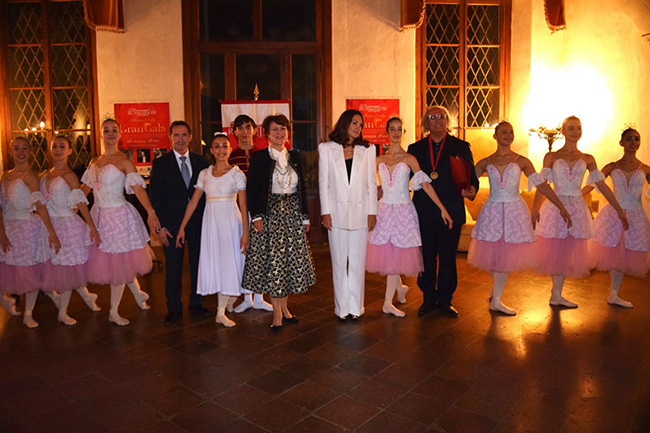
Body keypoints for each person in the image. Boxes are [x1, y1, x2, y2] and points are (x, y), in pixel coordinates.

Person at [468, 121, 572, 315]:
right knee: (495, 255)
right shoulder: (485, 162)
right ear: (495, 136)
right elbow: (469, 184)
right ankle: (496, 294)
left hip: (514, 212)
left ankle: (496, 298)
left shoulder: (522, 161)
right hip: (492, 211)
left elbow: (541, 185)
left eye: (511, 132)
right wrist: (466, 191)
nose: (508, 135)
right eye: (504, 132)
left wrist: (560, 206)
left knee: (505, 256)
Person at [532, 115, 628, 308]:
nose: (576, 131)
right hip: (555, 206)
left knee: (567, 250)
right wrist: (534, 208)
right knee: (556, 249)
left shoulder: (588, 159)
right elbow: (543, 184)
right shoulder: (551, 157)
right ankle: (556, 294)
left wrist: (619, 209)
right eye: (571, 128)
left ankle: (556, 294)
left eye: (578, 128)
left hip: (576, 208)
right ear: (563, 131)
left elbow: (602, 185)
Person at [366, 117, 453, 318]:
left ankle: (387, 303)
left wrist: (442, 208)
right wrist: (376, 193)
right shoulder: (378, 160)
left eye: (400, 129)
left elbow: (425, 184)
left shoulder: (409, 159)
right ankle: (400, 289)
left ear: (403, 132)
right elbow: (368, 186)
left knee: (396, 256)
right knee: (390, 256)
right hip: (384, 210)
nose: (396, 132)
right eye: (392, 129)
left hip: (403, 211)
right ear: (387, 132)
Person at [82, 118, 161, 326]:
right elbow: (84, 190)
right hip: (99, 216)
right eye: (106, 130)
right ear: (100, 134)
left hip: (118, 216)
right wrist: (70, 206)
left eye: (114, 130)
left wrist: (151, 212)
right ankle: (139, 294)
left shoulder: (124, 161)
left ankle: (113, 311)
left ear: (120, 134)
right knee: (118, 261)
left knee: (118, 261)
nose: (110, 133)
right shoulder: (94, 162)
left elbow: (138, 190)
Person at [243, 114, 315, 331]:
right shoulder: (259, 158)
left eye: (283, 129)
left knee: (288, 264)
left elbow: (301, 188)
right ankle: (276, 313)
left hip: (292, 215)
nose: (279, 133)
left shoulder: (295, 156)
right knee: (275, 265)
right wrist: (256, 216)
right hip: (270, 216)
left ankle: (284, 309)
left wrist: (304, 216)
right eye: (274, 129)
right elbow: (252, 189)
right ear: (266, 134)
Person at [408, 106, 479, 318]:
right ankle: (428, 299)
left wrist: (472, 189)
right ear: (426, 122)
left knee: (448, 258)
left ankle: (446, 300)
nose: (438, 120)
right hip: (424, 211)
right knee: (426, 257)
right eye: (432, 117)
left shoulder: (461, 146)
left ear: (447, 121)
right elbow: (405, 178)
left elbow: (472, 177)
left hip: (452, 209)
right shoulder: (415, 148)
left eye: (442, 117)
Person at [176, 133, 249, 327]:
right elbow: (193, 203)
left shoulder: (237, 174)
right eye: (217, 146)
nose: (221, 150)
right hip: (211, 225)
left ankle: (222, 308)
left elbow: (243, 206)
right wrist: (182, 227)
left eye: (224, 146)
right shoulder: (204, 174)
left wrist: (245, 232)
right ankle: (224, 306)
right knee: (217, 263)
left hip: (231, 223)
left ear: (230, 149)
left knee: (230, 263)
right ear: (211, 150)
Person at [149, 120, 211, 325]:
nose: (181, 139)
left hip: (198, 222)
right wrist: (161, 227)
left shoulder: (202, 162)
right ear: (170, 137)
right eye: (176, 135)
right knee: (173, 266)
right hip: (171, 225)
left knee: (197, 264)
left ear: (190, 137)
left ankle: (196, 303)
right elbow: (155, 198)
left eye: (184, 135)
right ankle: (174, 308)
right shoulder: (160, 164)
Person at [319, 109, 377, 320]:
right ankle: (342, 309)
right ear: (344, 123)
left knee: (357, 263)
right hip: (336, 214)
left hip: (361, 213)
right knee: (338, 263)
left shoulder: (367, 150)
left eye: (361, 124)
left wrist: (372, 212)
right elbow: (323, 183)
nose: (358, 127)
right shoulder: (326, 149)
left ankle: (356, 308)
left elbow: (371, 183)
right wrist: (325, 212)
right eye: (354, 123)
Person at [585, 128, 650, 308]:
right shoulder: (611, 167)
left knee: (626, 252)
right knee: (614, 251)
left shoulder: (645, 169)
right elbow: (592, 185)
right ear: (621, 142)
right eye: (629, 139)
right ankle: (613, 294)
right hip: (613, 214)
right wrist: (572, 198)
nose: (633, 142)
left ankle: (614, 294)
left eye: (636, 138)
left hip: (635, 215)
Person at [41, 136, 102, 325]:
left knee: (67, 269)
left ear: (69, 151)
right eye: (55, 146)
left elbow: (81, 203)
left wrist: (91, 227)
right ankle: (87, 297)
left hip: (67, 226)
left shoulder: (69, 175)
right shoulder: (45, 175)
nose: (58, 149)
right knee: (56, 268)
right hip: (48, 225)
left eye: (62, 146)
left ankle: (63, 311)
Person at [0, 137, 61, 328]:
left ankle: (28, 313)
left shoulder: (31, 177)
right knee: (7, 268)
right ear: (11, 151)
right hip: (8, 226)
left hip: (27, 228)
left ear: (30, 151)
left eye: (24, 148)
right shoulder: (5, 175)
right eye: (16, 148)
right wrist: (2, 233)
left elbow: (40, 206)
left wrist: (51, 232)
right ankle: (6, 300)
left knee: (30, 272)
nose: (20, 152)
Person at [227, 114, 273, 313]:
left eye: (248, 127)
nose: (245, 131)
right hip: (238, 211)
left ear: (255, 130)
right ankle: (246, 297)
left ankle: (260, 297)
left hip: (260, 210)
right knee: (243, 252)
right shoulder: (230, 156)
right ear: (234, 132)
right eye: (240, 128)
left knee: (261, 252)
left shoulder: (263, 155)